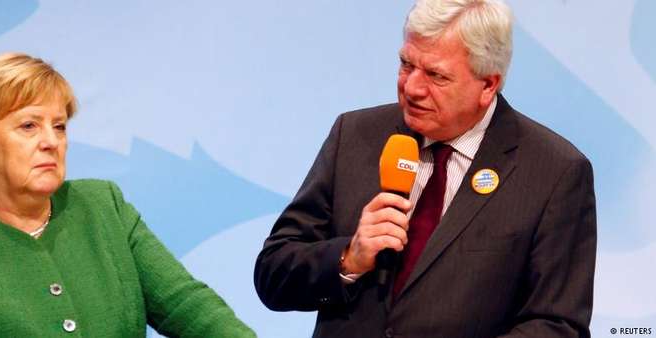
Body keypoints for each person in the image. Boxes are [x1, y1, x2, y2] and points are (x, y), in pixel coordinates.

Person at [254, 0, 596, 337]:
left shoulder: (554, 172)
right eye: (406, 64)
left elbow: (557, 325)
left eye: (436, 75)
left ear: (488, 85)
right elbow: (273, 273)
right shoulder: (355, 135)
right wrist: (348, 258)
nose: (412, 88)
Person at [0, 53, 255, 337]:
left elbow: (187, 305)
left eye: (59, 126)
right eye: (28, 126)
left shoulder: (104, 205)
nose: (51, 142)